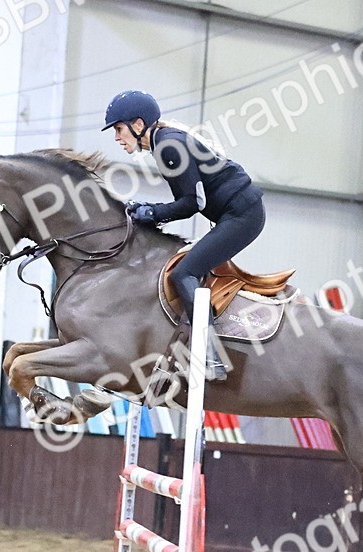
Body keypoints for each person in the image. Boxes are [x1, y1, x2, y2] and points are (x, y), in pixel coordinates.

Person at [102, 90, 266, 382]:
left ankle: (210, 355)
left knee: (184, 273)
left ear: (138, 125)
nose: (116, 137)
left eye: (118, 129)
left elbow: (193, 203)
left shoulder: (168, 146)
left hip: (242, 216)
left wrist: (151, 212)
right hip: (236, 213)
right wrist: (149, 209)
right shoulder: (164, 142)